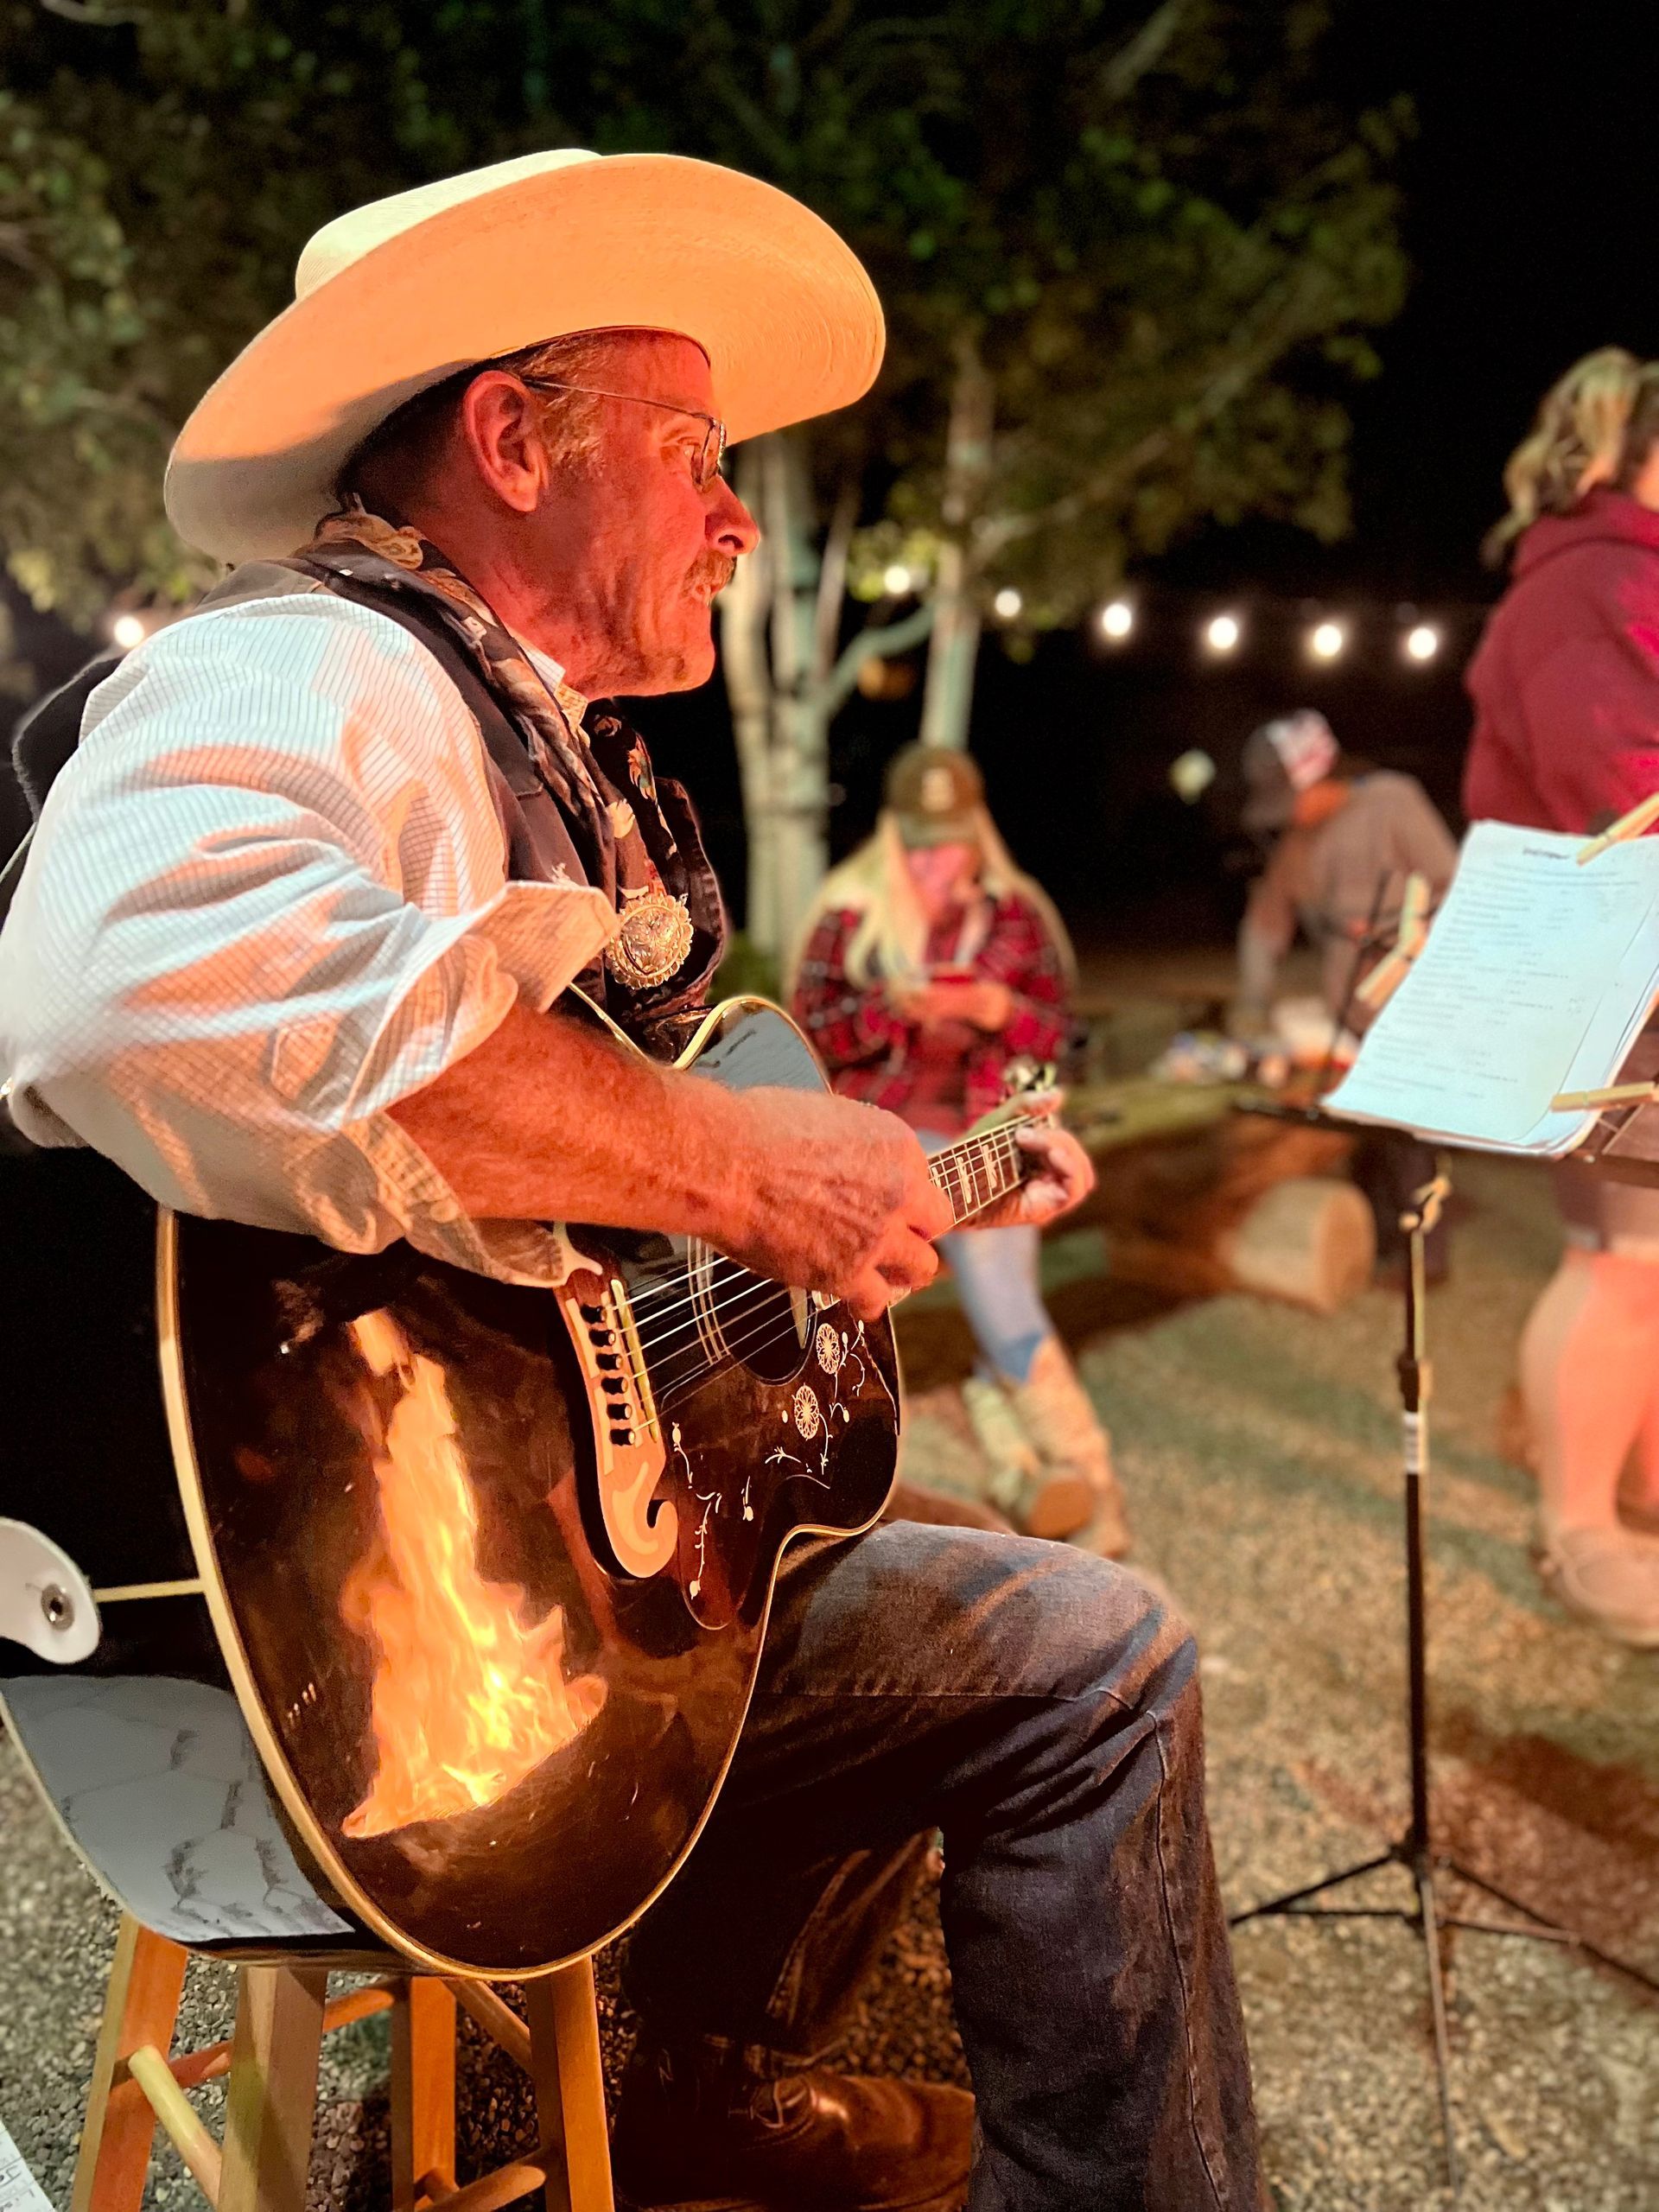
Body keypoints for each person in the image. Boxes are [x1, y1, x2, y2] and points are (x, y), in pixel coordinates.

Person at [0, 152, 1262, 2209]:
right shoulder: (315, 668)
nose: (738, 511)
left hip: (510, 1607)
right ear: (511, 436)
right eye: (695, 451)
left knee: (849, 1502)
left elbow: (603, 1193)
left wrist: (856, 1187)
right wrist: (731, 1159)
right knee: (1095, 1649)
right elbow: (124, 985)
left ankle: (694, 2068)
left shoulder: (534, 735)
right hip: (401, 1650)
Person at [791, 742, 1128, 1554]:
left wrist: (996, 1009)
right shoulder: (849, 913)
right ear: (891, 835)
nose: (934, 859)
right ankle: (1071, 1482)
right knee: (989, 1265)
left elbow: (1057, 1037)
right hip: (879, 1134)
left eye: (949, 839)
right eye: (918, 841)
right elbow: (809, 1033)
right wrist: (890, 1009)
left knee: (989, 1261)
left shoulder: (1016, 916)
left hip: (987, 1129)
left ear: (977, 832)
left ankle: (1046, 1474)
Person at [1464, 344, 1659, 1649]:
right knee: (1621, 1258)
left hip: (1630, 958)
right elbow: (1625, 792)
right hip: (1607, 968)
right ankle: (1578, 1525)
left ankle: (1633, 1484)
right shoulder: (1595, 584)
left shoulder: (1616, 577)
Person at [1234, 708, 1459, 1278]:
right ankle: (1374, 1244)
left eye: (1293, 798)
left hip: (1410, 1006)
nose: (1289, 816)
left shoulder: (1392, 804)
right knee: (1363, 1138)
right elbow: (1266, 924)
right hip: (1349, 1019)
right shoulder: (1300, 844)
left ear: (1320, 776)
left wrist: (1388, 930)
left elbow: (1451, 885)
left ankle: (1422, 1258)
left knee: (1411, 1141)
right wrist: (1253, 1002)